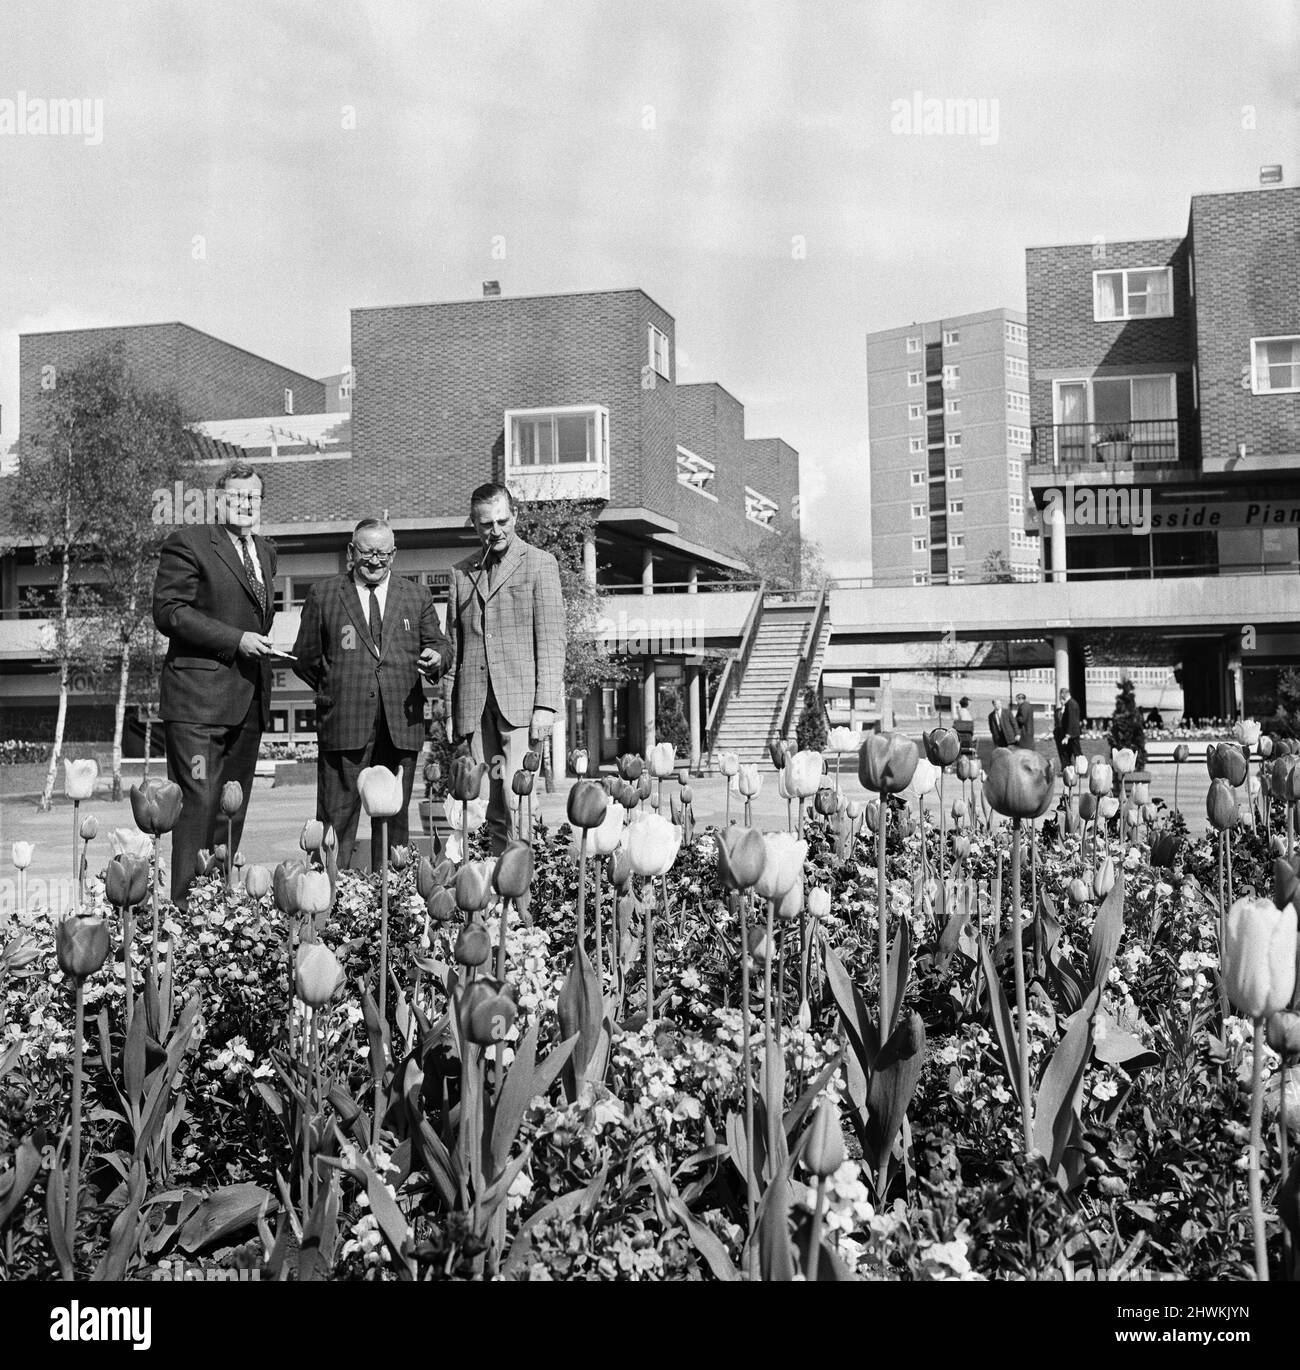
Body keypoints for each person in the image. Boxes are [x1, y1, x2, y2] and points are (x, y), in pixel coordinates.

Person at [291, 518, 452, 869]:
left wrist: (438, 656)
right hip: (344, 723)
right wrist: (337, 688)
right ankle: (330, 906)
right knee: (337, 820)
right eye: (366, 552)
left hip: (400, 725)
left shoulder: (417, 596)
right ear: (351, 552)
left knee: (395, 824)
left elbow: (440, 643)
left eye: (383, 553)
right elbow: (305, 659)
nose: (375, 561)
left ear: (394, 554)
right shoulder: (325, 594)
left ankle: (391, 906)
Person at [152, 462, 276, 910]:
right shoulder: (188, 543)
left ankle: (218, 916)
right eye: (237, 496)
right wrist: (235, 640)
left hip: (248, 702)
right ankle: (184, 915)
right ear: (219, 500)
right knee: (198, 803)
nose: (245, 504)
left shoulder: (266, 552)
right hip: (198, 705)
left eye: (253, 497)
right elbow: (170, 612)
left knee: (231, 808)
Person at [446, 483, 565, 854]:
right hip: (476, 707)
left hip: (522, 709)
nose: (495, 531)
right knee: (492, 803)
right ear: (474, 524)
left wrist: (545, 706)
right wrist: (451, 711)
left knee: (520, 802)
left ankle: (524, 892)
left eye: (502, 520)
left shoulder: (540, 564)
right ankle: (501, 891)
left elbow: (551, 640)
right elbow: (454, 645)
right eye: (486, 524)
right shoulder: (462, 573)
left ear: (515, 516)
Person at [1054, 685, 1082, 770]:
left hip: (1072, 734)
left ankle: (1082, 771)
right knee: (1070, 753)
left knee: (1077, 753)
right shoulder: (1071, 703)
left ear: (1063, 694)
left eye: (1060, 695)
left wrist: (1067, 735)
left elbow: (1072, 720)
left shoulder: (1071, 704)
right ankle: (1070, 770)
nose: (1060, 697)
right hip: (1071, 734)